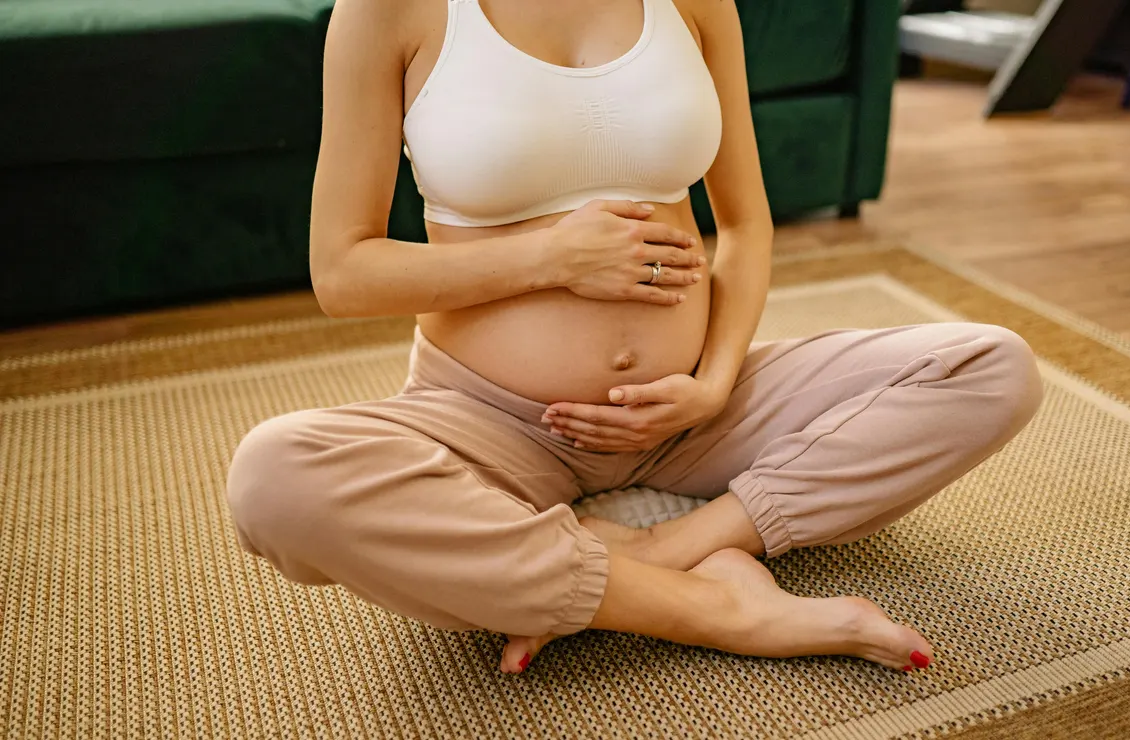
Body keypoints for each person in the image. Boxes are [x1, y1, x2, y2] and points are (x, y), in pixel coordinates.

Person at [225, 0, 1043, 675]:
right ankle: (711, 608)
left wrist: (715, 382)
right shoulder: (388, 12)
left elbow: (748, 225)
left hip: (692, 414)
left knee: (991, 368)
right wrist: (550, 258)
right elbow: (343, 272)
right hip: (494, 426)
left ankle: (659, 541)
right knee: (275, 477)